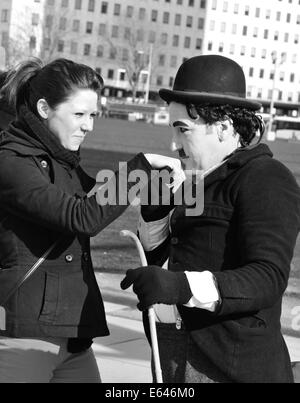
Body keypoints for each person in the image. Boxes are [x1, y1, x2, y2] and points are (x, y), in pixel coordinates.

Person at [0, 57, 182, 383]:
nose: (89, 125)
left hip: (72, 336)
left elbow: (97, 198)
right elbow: (81, 216)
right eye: (79, 114)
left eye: (93, 114)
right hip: (21, 336)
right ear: (44, 108)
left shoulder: (63, 160)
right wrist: (139, 170)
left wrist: (161, 191)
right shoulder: (11, 162)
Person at [121, 55, 300, 383]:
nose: (173, 144)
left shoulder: (266, 177)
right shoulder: (195, 178)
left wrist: (180, 286)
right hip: (171, 349)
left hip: (227, 365)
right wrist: (155, 213)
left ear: (223, 126)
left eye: (183, 130)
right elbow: (163, 258)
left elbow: (267, 277)